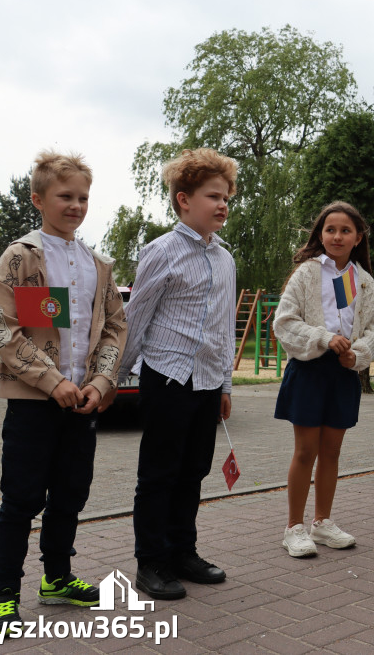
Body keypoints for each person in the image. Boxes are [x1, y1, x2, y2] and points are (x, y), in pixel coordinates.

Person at [0, 151, 127, 636]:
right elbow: (5, 329)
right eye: (65, 196)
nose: (76, 205)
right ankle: (3, 593)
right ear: (38, 199)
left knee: (70, 495)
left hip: (81, 403)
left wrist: (99, 383)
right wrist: (54, 381)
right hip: (33, 404)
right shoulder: (22, 257)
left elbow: (113, 328)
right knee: (21, 499)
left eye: (83, 197)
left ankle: (57, 579)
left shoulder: (97, 263)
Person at [123, 148, 238, 600]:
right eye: (214, 195)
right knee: (159, 475)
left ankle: (182, 553)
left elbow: (225, 327)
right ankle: (151, 562)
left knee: (194, 472)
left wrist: (226, 385)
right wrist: (115, 379)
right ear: (183, 200)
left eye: (227, 196)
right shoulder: (161, 251)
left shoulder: (225, 260)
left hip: (208, 382)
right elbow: (137, 319)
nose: (223, 203)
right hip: (167, 378)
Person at [273, 202, 374, 557]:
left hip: (343, 373)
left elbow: (373, 328)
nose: (337, 236)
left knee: (332, 453)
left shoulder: (362, 281)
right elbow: (284, 322)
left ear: (358, 237)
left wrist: (360, 354)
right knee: (306, 451)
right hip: (309, 370)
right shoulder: (307, 273)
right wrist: (323, 337)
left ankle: (322, 523)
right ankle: (294, 527)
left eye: (345, 230)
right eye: (330, 229)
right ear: (320, 234)